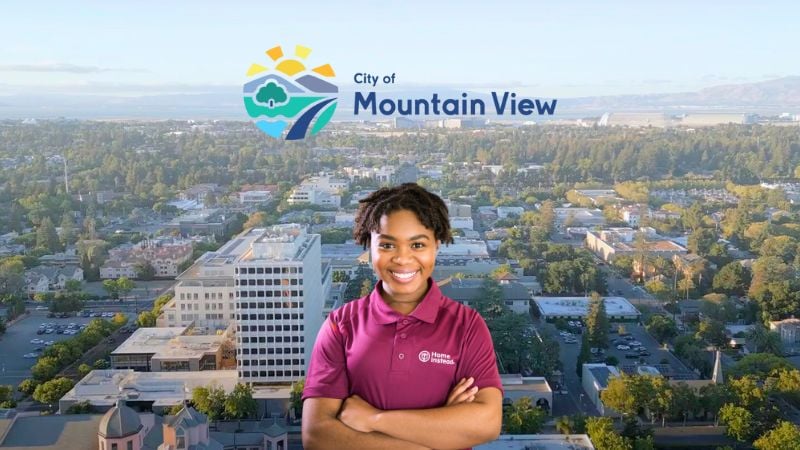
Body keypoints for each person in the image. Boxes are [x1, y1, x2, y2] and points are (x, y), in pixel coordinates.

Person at [302, 183, 503, 450]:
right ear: (368, 246)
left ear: (437, 246)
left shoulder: (466, 326)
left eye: (418, 244)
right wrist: (443, 431)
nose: (403, 258)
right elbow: (317, 436)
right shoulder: (342, 325)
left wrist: (374, 419)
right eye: (387, 245)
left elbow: (487, 423)